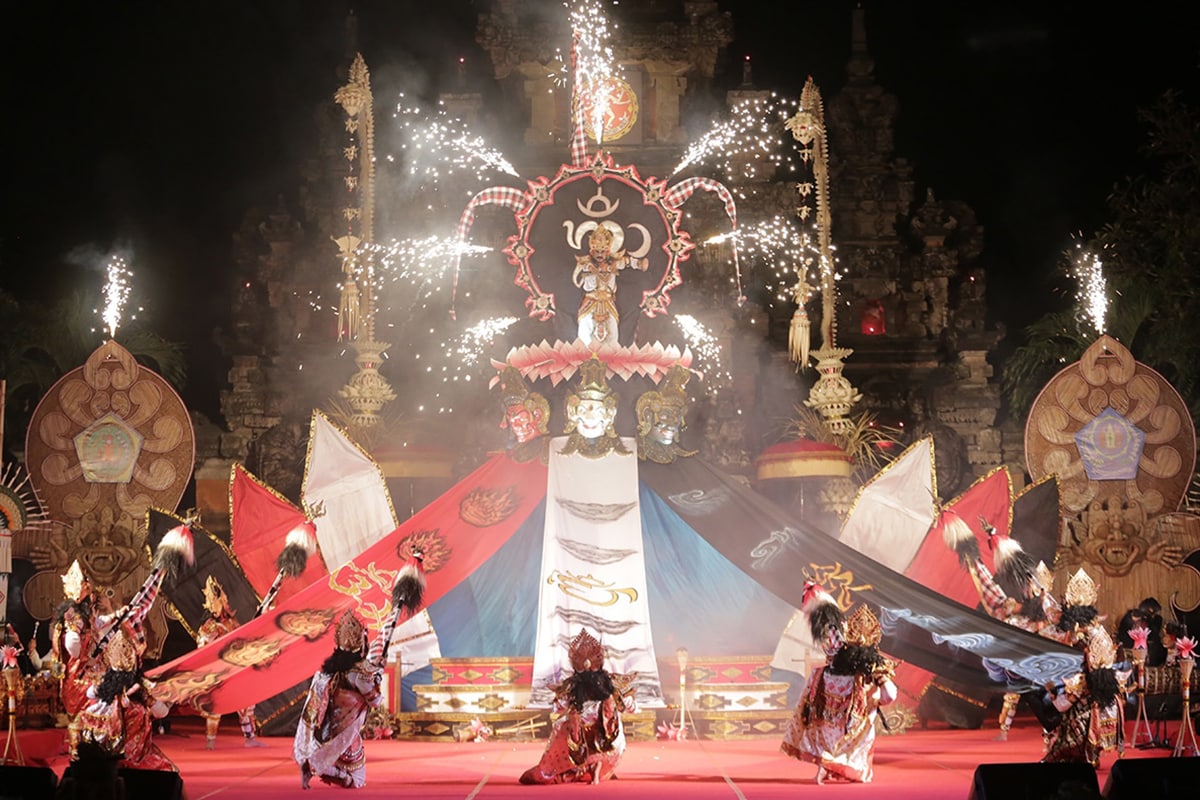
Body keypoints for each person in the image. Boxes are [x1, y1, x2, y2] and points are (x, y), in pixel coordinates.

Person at [781, 600, 897, 784]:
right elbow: (890, 695)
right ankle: (835, 766)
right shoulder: (867, 673)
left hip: (828, 710)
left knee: (829, 731)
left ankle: (828, 766)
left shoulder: (820, 673)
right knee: (856, 742)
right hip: (851, 717)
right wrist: (879, 689)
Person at [519, 628, 636, 785]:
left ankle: (584, 769)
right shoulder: (603, 684)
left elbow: (559, 707)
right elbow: (628, 707)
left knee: (563, 727)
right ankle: (592, 768)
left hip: (594, 732)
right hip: (594, 734)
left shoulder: (577, 685)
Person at [294, 610, 383, 789]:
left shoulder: (329, 670)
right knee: (357, 781)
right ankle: (319, 769)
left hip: (326, 729)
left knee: (334, 760)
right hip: (346, 734)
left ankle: (316, 766)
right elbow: (375, 701)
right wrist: (377, 680)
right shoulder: (359, 675)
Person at [195, 576, 266, 748]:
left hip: (235, 669)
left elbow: (242, 638)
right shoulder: (209, 626)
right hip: (218, 672)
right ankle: (210, 741)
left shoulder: (232, 622)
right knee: (215, 706)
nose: (226, 604)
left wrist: (260, 619)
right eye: (223, 601)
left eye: (226, 601)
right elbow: (203, 647)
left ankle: (250, 737)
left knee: (246, 702)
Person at [1042, 624, 1126, 767]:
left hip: (1085, 729)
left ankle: (1080, 755)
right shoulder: (1117, 678)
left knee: (1066, 716)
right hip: (1107, 725)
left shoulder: (1081, 681)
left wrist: (1052, 693)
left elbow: (1061, 706)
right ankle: (1094, 756)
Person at [572, 224, 648, 346]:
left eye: (602, 251)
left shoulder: (613, 263)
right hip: (590, 302)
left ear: (608, 252)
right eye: (597, 251)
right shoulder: (587, 263)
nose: (600, 254)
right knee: (585, 332)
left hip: (608, 302)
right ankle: (584, 355)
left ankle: (610, 355)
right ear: (591, 252)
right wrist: (591, 269)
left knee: (612, 333)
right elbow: (582, 269)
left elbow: (627, 262)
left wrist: (639, 264)